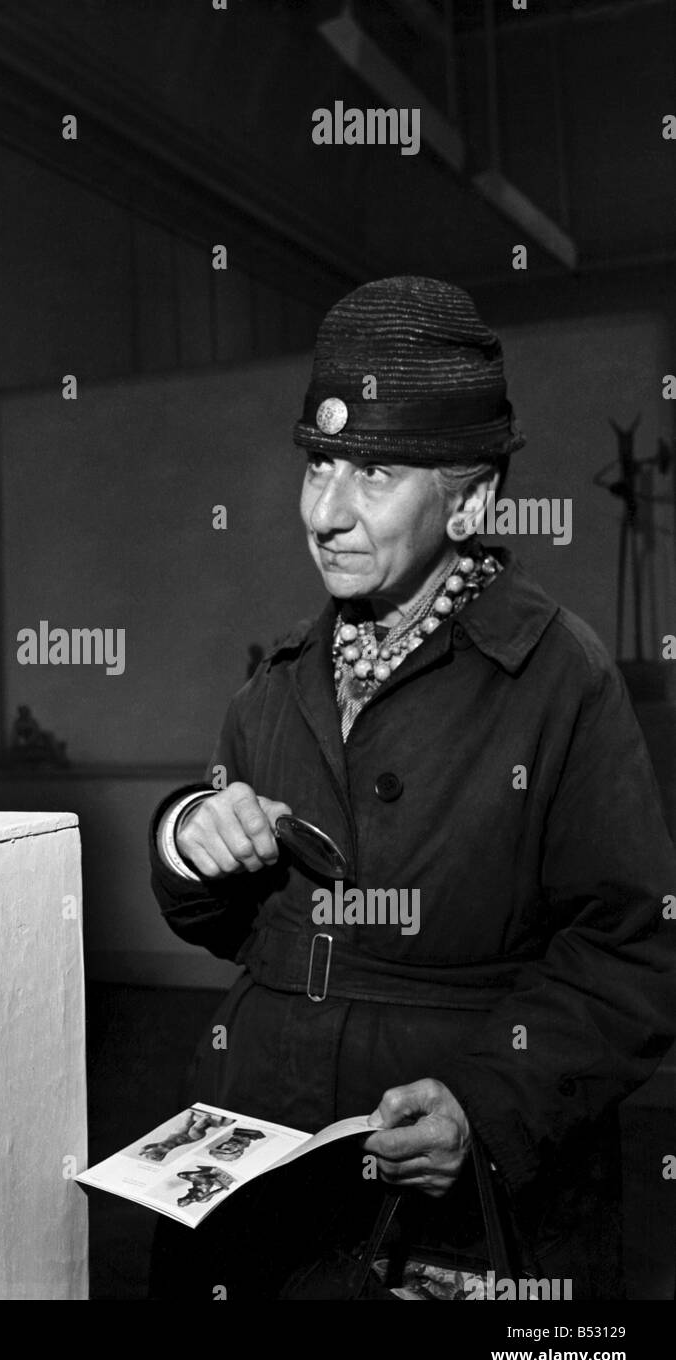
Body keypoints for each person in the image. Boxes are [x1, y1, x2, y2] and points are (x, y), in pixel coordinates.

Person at [147, 275, 676, 1300]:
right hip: (262, 1137)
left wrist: (483, 1106)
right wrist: (190, 833)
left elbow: (634, 949)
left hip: (443, 1163)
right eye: (318, 465)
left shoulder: (557, 675)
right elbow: (238, 926)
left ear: (470, 500)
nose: (326, 513)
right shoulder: (281, 675)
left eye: (375, 474)